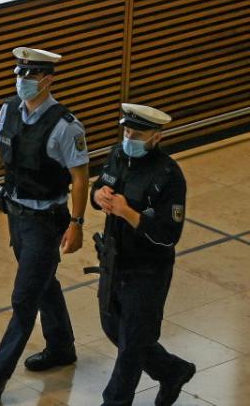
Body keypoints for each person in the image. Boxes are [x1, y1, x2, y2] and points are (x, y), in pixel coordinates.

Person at [0, 47, 90, 401]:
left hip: (47, 221)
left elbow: (79, 178)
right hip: (16, 215)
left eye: (29, 77)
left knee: (24, 297)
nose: (22, 82)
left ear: (47, 80)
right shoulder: (9, 110)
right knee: (43, 281)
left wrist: (76, 223)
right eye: (19, 75)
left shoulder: (65, 127)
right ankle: (61, 347)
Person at [89, 103, 196, 406]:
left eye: (137, 134)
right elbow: (100, 187)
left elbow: (168, 234)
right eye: (126, 131)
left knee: (132, 344)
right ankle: (173, 370)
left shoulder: (168, 175)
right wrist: (99, 197)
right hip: (114, 262)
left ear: (156, 137)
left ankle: (115, 401)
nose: (129, 138)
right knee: (115, 329)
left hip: (147, 270)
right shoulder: (117, 156)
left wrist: (127, 213)